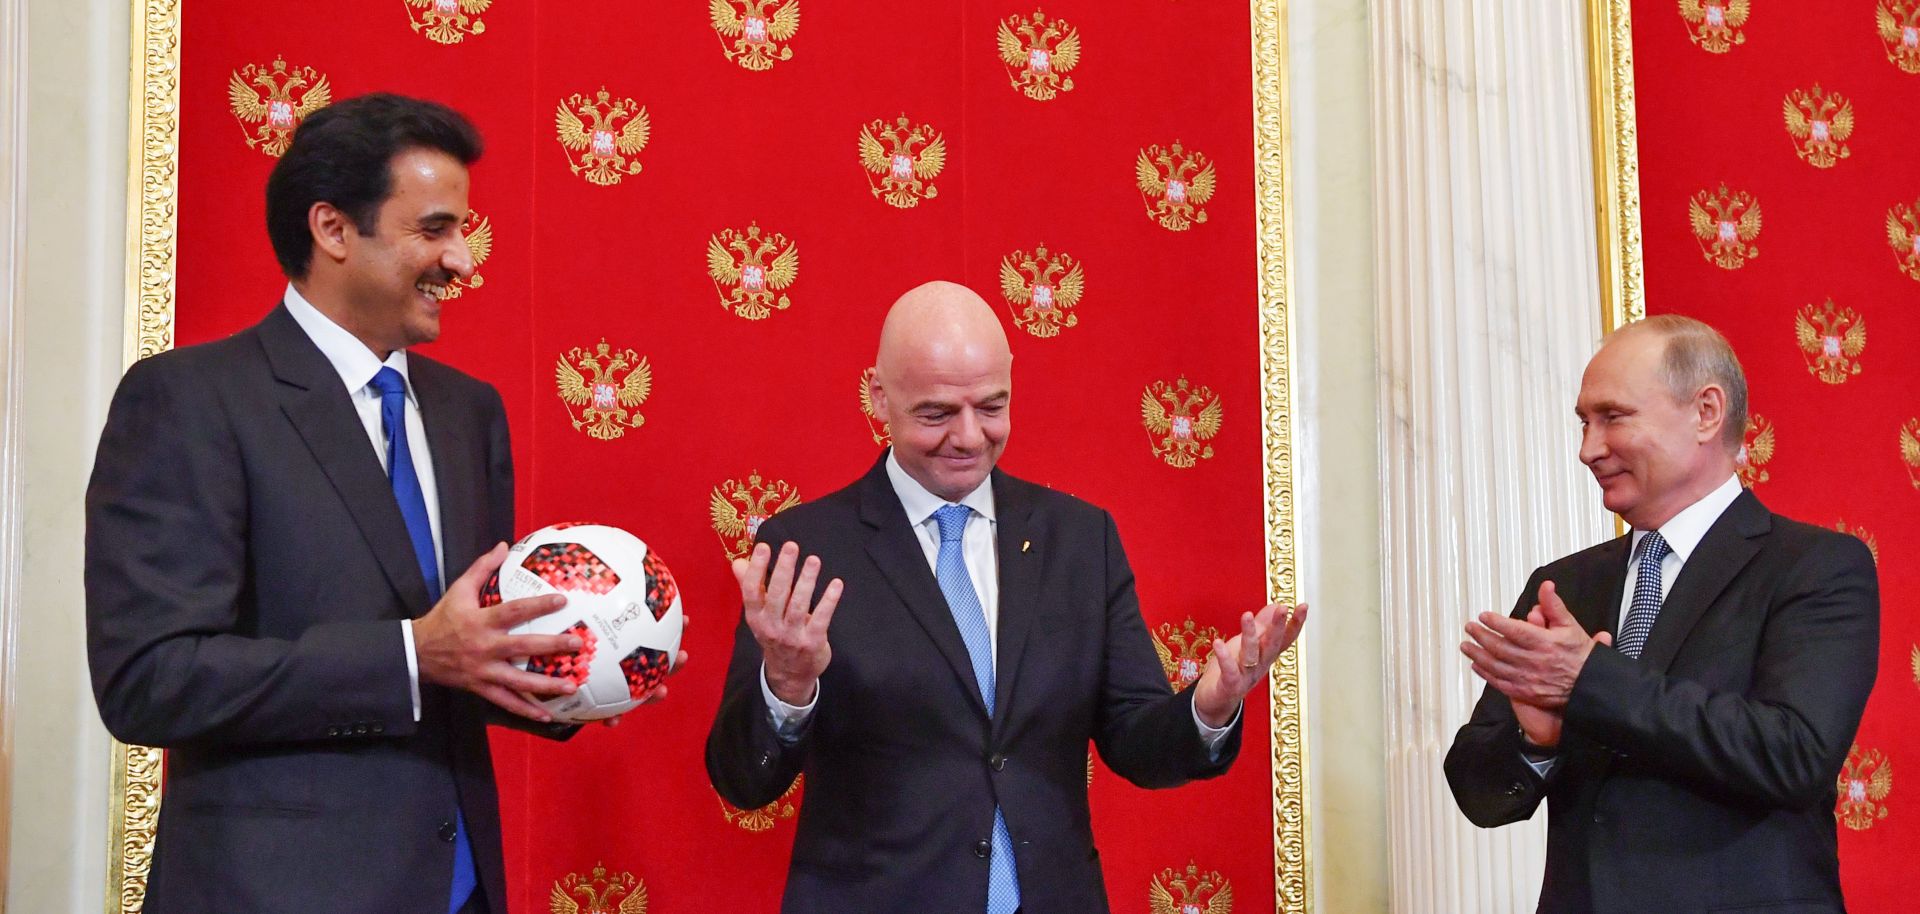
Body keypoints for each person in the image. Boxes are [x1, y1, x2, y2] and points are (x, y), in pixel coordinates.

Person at [86, 94, 679, 914]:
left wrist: (579, 669)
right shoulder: (191, 400)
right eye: (435, 230)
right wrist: (408, 656)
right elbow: (149, 680)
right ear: (332, 230)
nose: (464, 260)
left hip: (460, 889)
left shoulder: (470, 411)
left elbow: (468, 654)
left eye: (463, 231)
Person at [705, 280, 1307, 913]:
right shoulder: (806, 549)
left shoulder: (1081, 540)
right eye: (937, 413)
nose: (969, 437)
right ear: (880, 395)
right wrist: (788, 686)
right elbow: (746, 782)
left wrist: (1209, 708)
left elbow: (1138, 744)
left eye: (992, 406)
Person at [1445, 315, 1878, 913]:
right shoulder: (1565, 584)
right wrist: (1535, 739)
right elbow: (1481, 797)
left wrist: (1589, 681)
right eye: (1584, 423)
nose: (1588, 449)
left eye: (1613, 417)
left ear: (1705, 412)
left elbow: (1794, 754)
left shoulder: (1817, 566)